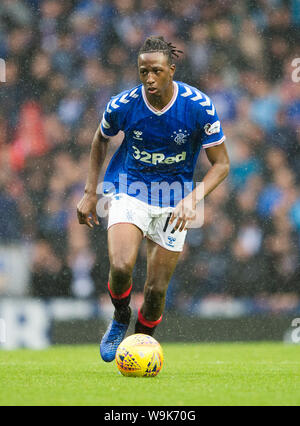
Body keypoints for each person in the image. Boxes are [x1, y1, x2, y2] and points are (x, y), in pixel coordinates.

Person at [77, 36, 230, 362]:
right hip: (128, 188)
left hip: (174, 200)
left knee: (156, 291)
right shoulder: (123, 105)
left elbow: (222, 164)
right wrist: (90, 193)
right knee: (120, 265)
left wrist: (194, 199)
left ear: (171, 70)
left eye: (156, 71)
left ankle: (139, 347)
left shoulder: (198, 107)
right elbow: (99, 140)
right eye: (143, 71)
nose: (149, 79)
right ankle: (120, 316)